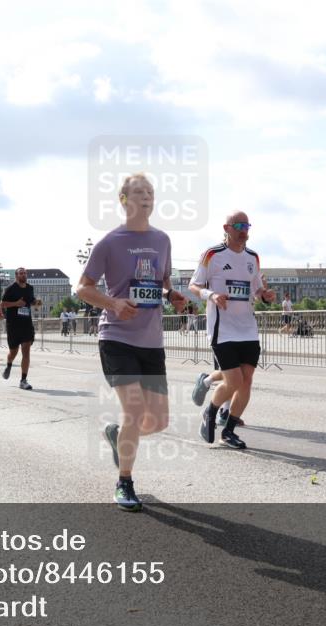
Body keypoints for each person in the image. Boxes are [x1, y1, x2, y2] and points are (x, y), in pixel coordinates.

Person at [76, 173, 187, 511]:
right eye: (139, 192)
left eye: (150, 191)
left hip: (151, 341)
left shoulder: (163, 240)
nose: (146, 196)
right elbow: (83, 288)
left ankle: (117, 434)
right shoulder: (109, 242)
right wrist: (114, 303)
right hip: (117, 337)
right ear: (123, 199)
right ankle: (125, 481)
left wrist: (173, 294)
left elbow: (163, 279)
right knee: (135, 410)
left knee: (159, 421)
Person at [189, 211, 274, 449]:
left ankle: (228, 431)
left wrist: (264, 295)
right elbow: (193, 285)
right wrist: (212, 295)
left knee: (246, 382)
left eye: (247, 225)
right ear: (227, 228)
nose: (244, 230)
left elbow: (256, 289)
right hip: (222, 328)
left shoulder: (253, 257)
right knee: (234, 380)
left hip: (247, 328)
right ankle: (210, 412)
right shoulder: (212, 255)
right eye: (239, 225)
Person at [1, 267, 40, 390]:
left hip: (26, 324)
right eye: (21, 273)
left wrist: (36, 302)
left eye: (25, 273)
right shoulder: (10, 289)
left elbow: (31, 301)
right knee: (13, 351)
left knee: (26, 351)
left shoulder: (30, 288)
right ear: (16, 275)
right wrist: (16, 304)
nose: (24, 275)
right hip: (13, 325)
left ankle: (23, 380)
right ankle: (9, 365)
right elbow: (2, 304)